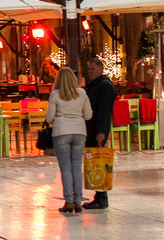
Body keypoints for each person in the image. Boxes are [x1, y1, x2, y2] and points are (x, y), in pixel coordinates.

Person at [46, 67, 93, 214]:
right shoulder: (82, 93)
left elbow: (49, 118)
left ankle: (69, 201)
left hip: (61, 132)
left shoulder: (55, 94)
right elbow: (88, 115)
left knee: (65, 168)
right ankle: (78, 201)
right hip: (79, 132)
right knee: (77, 167)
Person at [82, 57, 116, 210]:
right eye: (88, 69)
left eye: (92, 69)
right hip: (90, 129)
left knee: (100, 164)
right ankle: (99, 195)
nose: (90, 72)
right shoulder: (93, 85)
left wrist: (102, 132)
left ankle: (102, 197)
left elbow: (104, 110)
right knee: (94, 163)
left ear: (101, 70)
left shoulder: (105, 86)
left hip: (98, 130)